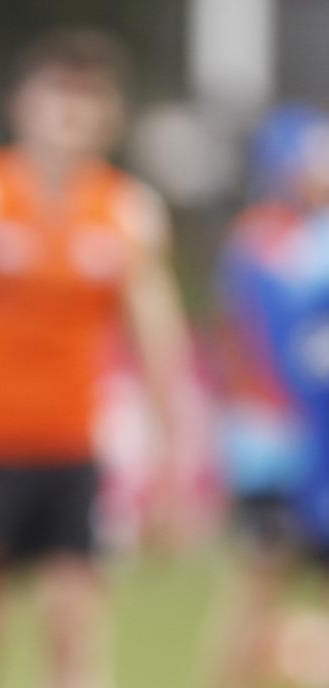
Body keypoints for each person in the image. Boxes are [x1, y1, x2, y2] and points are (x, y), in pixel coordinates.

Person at [0, 29, 192, 688]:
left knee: (74, 642)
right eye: (58, 93)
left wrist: (172, 469)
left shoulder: (129, 214)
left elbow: (161, 347)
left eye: (88, 98)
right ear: (23, 102)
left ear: (111, 115)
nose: (70, 113)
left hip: (76, 459)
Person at [212, 104, 329, 688]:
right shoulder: (267, 239)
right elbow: (254, 345)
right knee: (261, 584)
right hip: (276, 446)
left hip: (314, 442)